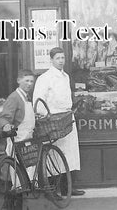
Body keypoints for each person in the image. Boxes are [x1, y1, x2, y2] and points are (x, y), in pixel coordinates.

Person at [33, 47, 84, 196]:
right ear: (51, 60)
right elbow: (38, 99)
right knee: (54, 154)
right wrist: (45, 116)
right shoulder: (45, 78)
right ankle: (52, 189)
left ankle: (67, 188)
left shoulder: (66, 76)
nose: (61, 61)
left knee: (69, 153)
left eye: (63, 58)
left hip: (66, 118)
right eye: (58, 58)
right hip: (53, 120)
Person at [0, 69, 37, 178]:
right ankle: (19, 192)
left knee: (28, 170)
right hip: (18, 139)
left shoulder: (26, 96)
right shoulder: (14, 97)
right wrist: (5, 125)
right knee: (18, 171)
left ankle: (26, 191)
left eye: (31, 81)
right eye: (26, 81)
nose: (29, 84)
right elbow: (4, 117)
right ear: (19, 80)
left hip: (27, 139)